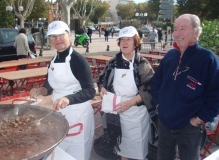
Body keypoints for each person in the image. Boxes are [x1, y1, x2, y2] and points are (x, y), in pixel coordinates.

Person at [150, 14, 219, 160]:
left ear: (196, 31)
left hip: (190, 127)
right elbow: (155, 83)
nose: (177, 33)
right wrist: (157, 104)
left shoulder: (208, 59)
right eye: (176, 29)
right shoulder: (170, 56)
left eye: (183, 28)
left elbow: (216, 95)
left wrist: (199, 119)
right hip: (165, 123)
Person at [29, 21, 95, 160]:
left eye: (60, 35)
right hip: (58, 114)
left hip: (77, 114)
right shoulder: (53, 60)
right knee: (59, 152)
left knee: (77, 154)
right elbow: (50, 84)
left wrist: (68, 98)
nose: (57, 39)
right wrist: (41, 89)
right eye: (53, 36)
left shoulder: (78, 60)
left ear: (69, 35)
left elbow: (90, 91)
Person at [97, 26, 154, 160]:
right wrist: (102, 88)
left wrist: (131, 102)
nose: (125, 42)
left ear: (136, 43)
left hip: (136, 114)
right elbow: (101, 79)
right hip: (117, 113)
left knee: (138, 149)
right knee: (121, 146)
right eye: (122, 39)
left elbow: (151, 87)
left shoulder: (142, 64)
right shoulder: (112, 63)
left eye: (129, 39)